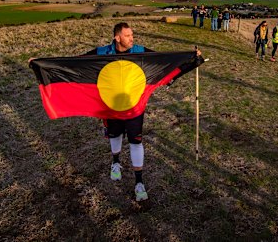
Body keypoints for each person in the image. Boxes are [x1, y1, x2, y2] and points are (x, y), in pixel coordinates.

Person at [84, 22, 202, 202]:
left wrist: (190, 58)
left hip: (134, 106)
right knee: (115, 136)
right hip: (111, 106)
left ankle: (139, 183)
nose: (132, 39)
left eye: (132, 35)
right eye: (128, 36)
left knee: (135, 141)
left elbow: (163, 62)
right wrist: (40, 64)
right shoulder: (102, 53)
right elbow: (75, 63)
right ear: (117, 38)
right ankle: (115, 162)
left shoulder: (139, 51)